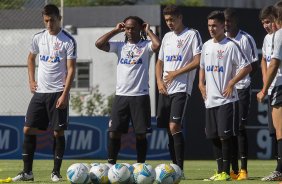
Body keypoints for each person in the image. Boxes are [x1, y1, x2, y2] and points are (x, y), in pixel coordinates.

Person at [12, 4, 76, 182]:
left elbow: (71, 70)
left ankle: (55, 172)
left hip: (58, 92)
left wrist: (64, 94)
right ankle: (27, 172)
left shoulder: (68, 40)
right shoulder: (38, 37)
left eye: (52, 20)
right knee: (28, 129)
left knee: (57, 133)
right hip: (40, 93)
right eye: (46, 21)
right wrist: (31, 80)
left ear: (59, 19)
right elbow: (31, 58)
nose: (49, 24)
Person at [95, 16, 160, 164]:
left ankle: (140, 166)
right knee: (114, 133)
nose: (130, 31)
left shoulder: (146, 46)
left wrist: (148, 31)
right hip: (121, 96)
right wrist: (115, 30)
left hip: (140, 95)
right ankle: (111, 165)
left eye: (133, 28)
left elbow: (157, 45)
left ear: (140, 28)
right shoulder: (119, 46)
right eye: (127, 28)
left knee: (140, 135)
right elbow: (98, 44)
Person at [199, 10, 252, 181]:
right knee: (213, 136)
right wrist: (201, 83)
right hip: (210, 99)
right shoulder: (206, 45)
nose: (212, 29)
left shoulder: (231, 45)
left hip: (227, 100)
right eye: (209, 25)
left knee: (225, 136)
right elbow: (202, 66)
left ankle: (226, 171)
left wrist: (231, 83)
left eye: (215, 25)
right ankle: (220, 170)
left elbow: (247, 67)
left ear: (223, 25)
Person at [156, 5, 202, 177]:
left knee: (174, 125)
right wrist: (159, 81)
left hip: (182, 88)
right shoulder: (167, 37)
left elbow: (198, 60)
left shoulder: (192, 34)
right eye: (167, 20)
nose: (169, 23)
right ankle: (174, 167)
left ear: (180, 17)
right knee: (169, 129)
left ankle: (180, 170)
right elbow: (159, 62)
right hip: (165, 89)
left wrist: (176, 72)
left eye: (172, 20)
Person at [224, 8, 259, 180]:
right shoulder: (220, 41)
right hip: (224, 92)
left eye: (229, 20)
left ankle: (244, 169)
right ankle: (233, 169)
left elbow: (254, 64)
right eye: (224, 21)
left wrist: (242, 81)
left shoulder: (246, 38)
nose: (226, 24)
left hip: (242, 89)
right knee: (227, 130)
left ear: (235, 21)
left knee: (240, 128)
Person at [257, 1, 282, 181]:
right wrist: (267, 85)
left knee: (280, 131)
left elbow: (274, 63)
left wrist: (264, 88)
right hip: (274, 87)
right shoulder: (269, 38)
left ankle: (280, 170)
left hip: (279, 85)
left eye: (270, 20)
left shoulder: (280, 34)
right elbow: (265, 62)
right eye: (263, 22)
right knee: (275, 131)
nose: (268, 25)